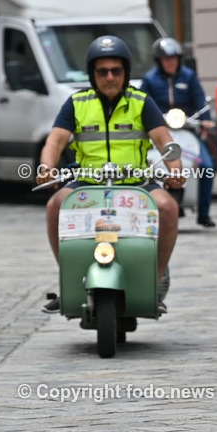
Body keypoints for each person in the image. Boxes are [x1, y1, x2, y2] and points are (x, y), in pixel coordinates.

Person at [38, 35, 184, 312]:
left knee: (168, 208)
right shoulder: (77, 103)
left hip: (137, 183)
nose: (109, 77)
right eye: (102, 71)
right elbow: (55, 141)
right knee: (54, 206)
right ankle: (68, 282)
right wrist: (46, 168)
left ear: (125, 72)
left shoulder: (141, 102)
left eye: (116, 71)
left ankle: (154, 284)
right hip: (87, 183)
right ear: (92, 74)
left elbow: (165, 142)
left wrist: (175, 171)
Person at [139, 37, 217, 227]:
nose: (171, 62)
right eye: (166, 59)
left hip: (187, 129)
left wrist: (205, 119)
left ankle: (204, 213)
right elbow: (141, 103)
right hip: (159, 131)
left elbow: (200, 100)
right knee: (146, 165)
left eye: (174, 58)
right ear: (159, 60)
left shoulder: (189, 76)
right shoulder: (149, 79)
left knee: (206, 166)